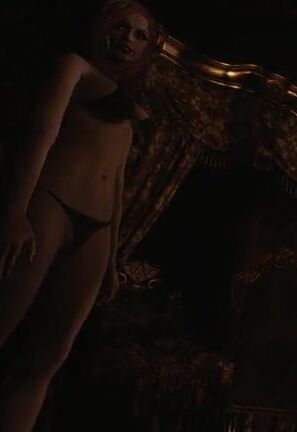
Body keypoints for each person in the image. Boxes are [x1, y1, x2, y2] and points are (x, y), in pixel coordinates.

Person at [0, 1, 157, 430]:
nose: (128, 38)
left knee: (47, 359)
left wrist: (112, 258)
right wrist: (15, 210)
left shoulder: (129, 105)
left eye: (140, 34)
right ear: (102, 27)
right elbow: (43, 133)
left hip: (98, 229)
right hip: (51, 204)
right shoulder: (74, 67)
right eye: (121, 26)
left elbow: (119, 182)